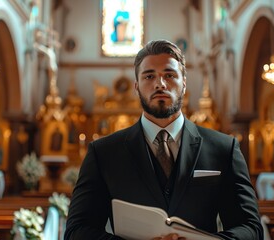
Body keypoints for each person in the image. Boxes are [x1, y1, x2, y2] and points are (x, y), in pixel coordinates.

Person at [64, 40, 263, 240]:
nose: (160, 83)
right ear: (136, 86)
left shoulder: (223, 148)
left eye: (169, 75)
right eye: (149, 76)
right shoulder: (104, 153)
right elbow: (76, 231)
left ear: (184, 83)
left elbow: (251, 228)